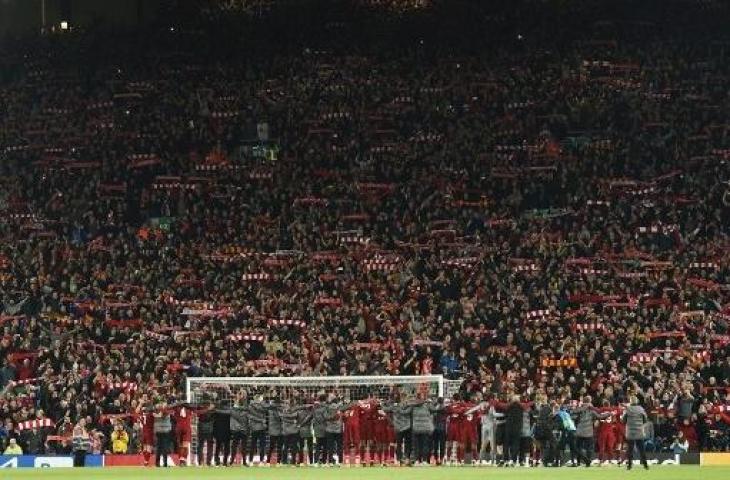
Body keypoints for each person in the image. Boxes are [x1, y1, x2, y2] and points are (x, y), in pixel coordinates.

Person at [573, 395, 611, 467]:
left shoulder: (579, 409)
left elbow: (574, 414)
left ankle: (578, 462)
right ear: (589, 402)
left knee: (578, 448)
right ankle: (588, 461)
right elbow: (600, 417)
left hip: (579, 432)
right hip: (589, 433)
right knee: (589, 448)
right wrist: (609, 413)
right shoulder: (591, 411)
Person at [382, 395, 413, 466]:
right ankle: (405, 459)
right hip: (406, 427)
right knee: (405, 444)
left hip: (399, 428)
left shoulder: (394, 407)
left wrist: (383, 404)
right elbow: (408, 411)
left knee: (399, 444)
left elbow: (385, 409)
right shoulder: (409, 406)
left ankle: (401, 459)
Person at [622, 395, 649, 470]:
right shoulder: (641, 409)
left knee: (630, 450)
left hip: (630, 433)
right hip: (639, 431)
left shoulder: (627, 409)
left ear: (630, 401)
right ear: (637, 401)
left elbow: (623, 421)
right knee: (642, 449)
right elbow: (645, 419)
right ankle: (645, 465)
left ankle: (629, 465)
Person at [153, 402, 173, 467]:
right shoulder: (167, 412)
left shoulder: (155, 413)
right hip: (165, 432)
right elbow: (163, 415)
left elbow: (157, 415)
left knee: (159, 447)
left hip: (158, 431)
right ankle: (165, 463)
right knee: (164, 447)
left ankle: (157, 463)